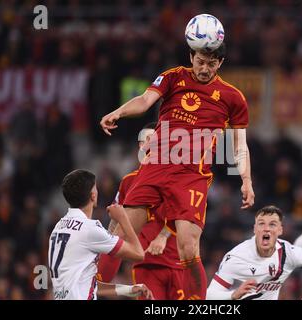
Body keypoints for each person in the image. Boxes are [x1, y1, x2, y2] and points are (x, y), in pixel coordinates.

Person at [100, 41, 255, 299]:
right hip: (155, 167)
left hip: (191, 176)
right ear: (191, 56)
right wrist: (119, 112)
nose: (205, 68)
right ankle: (91, 289)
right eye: (201, 62)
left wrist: (246, 180)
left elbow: (240, 145)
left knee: (187, 247)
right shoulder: (173, 77)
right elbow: (144, 100)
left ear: (221, 63)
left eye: (212, 64)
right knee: (122, 236)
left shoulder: (232, 97)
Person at [97, 123, 185, 300]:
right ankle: (94, 286)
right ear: (140, 146)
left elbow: (184, 214)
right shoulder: (128, 182)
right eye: (146, 141)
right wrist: (103, 249)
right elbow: (116, 222)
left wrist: (162, 236)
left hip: (178, 264)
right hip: (146, 266)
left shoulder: (178, 179)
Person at [48, 169, 152, 300]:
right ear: (93, 195)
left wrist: (129, 290)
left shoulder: (58, 227)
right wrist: (122, 218)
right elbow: (138, 254)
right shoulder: (89, 229)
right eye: (95, 188)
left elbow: (87, 285)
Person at [207, 205, 302, 300]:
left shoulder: (289, 253)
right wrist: (233, 295)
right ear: (254, 229)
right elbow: (209, 295)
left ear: (280, 230)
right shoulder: (236, 257)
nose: (266, 228)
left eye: (272, 224)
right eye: (261, 223)